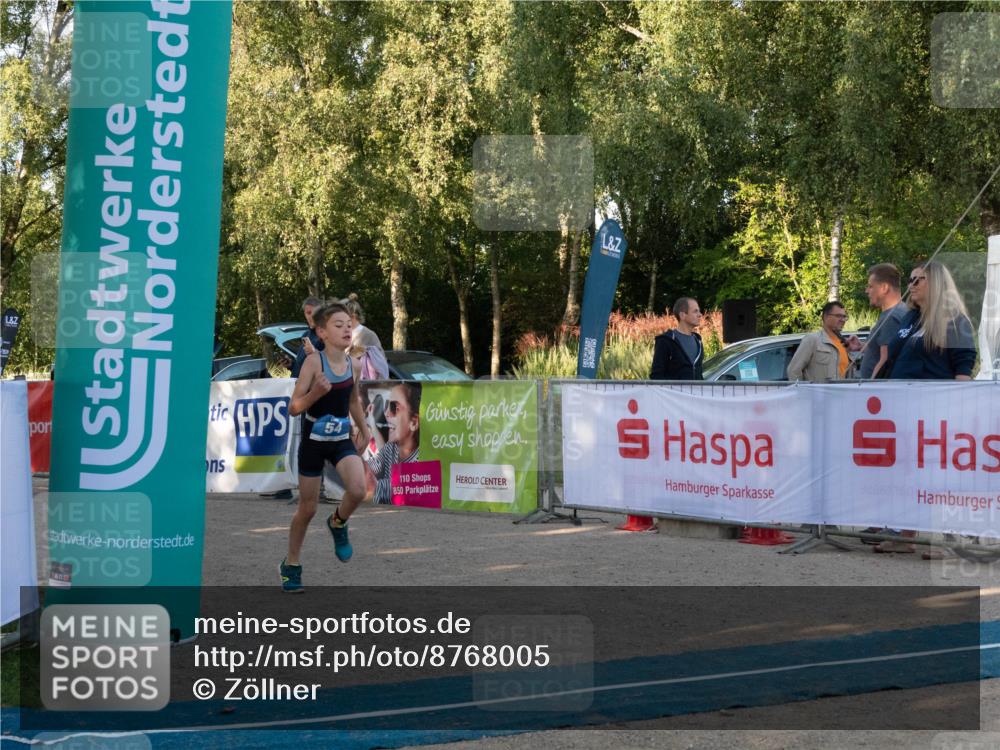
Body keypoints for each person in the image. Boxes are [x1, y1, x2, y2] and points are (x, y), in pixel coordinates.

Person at [874, 261, 977, 556]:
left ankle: (949, 541)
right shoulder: (911, 319)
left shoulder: (954, 320)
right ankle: (905, 535)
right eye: (910, 279)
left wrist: (960, 409)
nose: (911, 285)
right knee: (907, 473)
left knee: (940, 475)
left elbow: (962, 368)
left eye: (918, 280)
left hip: (936, 411)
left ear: (936, 283)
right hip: (903, 411)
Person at [280, 302, 371, 592]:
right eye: (338, 324)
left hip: (340, 439)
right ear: (322, 332)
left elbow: (353, 400)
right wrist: (316, 393)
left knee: (357, 489)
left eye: (349, 324)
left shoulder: (353, 365)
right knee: (307, 509)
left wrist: (365, 429)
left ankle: (338, 522)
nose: (346, 329)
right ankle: (291, 565)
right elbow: (294, 407)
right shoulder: (313, 363)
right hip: (313, 442)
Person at [364, 382, 421, 505]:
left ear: (414, 423)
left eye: (394, 407)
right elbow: (370, 468)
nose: (386, 413)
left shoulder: (422, 460)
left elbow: (404, 493)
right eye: (387, 406)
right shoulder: (391, 447)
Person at [786, 301, 862, 383]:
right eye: (838, 316)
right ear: (826, 317)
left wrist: (860, 346)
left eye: (844, 317)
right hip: (817, 395)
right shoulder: (812, 340)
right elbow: (793, 371)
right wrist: (803, 393)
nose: (843, 320)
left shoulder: (845, 344)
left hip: (841, 395)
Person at [859, 263, 909, 379]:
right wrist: (862, 345)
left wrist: (869, 387)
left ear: (884, 288)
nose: (867, 291)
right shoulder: (903, 310)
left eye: (870, 286)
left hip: (877, 392)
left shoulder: (890, 318)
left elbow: (885, 359)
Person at [650, 298, 704, 380]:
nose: (700, 315)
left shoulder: (698, 341)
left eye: (699, 311)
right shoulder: (665, 341)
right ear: (682, 315)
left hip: (695, 392)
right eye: (695, 311)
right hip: (673, 393)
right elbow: (657, 376)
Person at [341, 293, 389, 380]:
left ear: (353, 316)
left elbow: (381, 364)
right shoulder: (340, 333)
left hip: (365, 386)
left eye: (342, 316)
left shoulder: (369, 335)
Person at [290, 296, 326, 379]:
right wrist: (291, 365)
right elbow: (301, 365)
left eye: (312, 313)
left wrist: (315, 352)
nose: (310, 317)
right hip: (296, 385)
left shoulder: (327, 335)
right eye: (307, 313)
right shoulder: (305, 335)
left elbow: (334, 364)